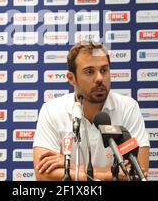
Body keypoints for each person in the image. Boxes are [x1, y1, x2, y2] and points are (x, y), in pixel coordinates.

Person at [33, 41, 150, 181]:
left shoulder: (128, 107)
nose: (100, 78)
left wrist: (71, 168)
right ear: (71, 78)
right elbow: (43, 175)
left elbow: (138, 171)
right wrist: (110, 174)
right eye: (89, 71)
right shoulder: (52, 110)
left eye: (104, 70)